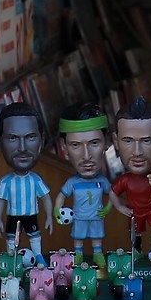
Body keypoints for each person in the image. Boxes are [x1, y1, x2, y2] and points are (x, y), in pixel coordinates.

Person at [0, 103, 53, 263]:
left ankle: (38, 256)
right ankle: (12, 259)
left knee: (35, 236)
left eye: (30, 137)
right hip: (13, 216)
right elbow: (0, 201)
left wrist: (49, 216)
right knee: (11, 238)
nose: (22, 148)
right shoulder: (5, 182)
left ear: (42, 139)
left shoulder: (36, 180)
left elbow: (45, 197)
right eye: (13, 138)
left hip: (31, 215)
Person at [111, 97, 151, 259]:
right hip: (135, 213)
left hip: (150, 209)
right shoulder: (125, 180)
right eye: (128, 140)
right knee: (135, 234)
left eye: (147, 140)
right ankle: (136, 252)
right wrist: (120, 207)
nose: (137, 151)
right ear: (116, 141)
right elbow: (113, 193)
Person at [55, 104, 113, 261]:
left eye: (94, 143)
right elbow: (61, 197)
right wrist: (56, 210)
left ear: (107, 142)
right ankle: (78, 254)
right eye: (75, 145)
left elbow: (114, 197)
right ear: (63, 147)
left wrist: (108, 208)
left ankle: (97, 254)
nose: (86, 156)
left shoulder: (103, 182)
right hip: (79, 218)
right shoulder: (72, 183)